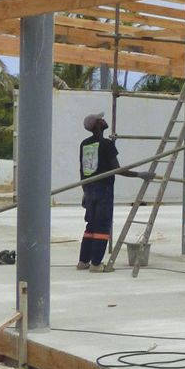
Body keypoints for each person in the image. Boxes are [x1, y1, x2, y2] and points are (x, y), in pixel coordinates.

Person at [77, 114, 120, 271]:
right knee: (102, 226)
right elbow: (116, 167)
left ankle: (83, 262)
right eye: (101, 119)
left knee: (91, 225)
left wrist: (84, 192)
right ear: (97, 125)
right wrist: (138, 174)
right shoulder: (106, 144)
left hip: (89, 188)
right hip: (104, 189)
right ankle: (96, 264)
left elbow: (85, 169)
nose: (104, 120)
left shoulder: (85, 144)